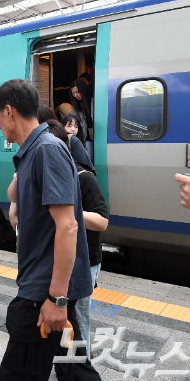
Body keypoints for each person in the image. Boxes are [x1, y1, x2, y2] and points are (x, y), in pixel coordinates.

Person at [0, 79, 104, 381]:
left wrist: (56, 299)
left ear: (9, 112)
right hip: (49, 289)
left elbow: (68, 226)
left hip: (43, 295)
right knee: (75, 370)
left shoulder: (46, 150)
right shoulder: (35, 150)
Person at [44, 120, 107, 361]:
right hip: (62, 257)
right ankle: (68, 368)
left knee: (80, 317)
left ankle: (83, 368)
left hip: (86, 258)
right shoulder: (51, 177)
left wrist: (66, 212)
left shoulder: (84, 178)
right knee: (66, 317)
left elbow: (102, 221)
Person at [70, 78, 94, 161]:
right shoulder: (76, 105)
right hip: (86, 138)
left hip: (98, 136)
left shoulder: (94, 100)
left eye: (78, 92)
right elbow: (74, 120)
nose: (76, 95)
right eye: (73, 93)